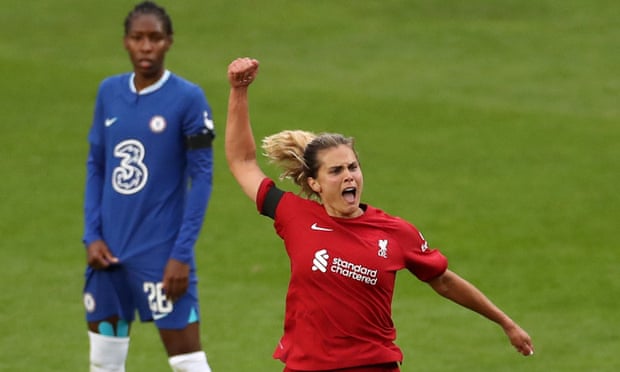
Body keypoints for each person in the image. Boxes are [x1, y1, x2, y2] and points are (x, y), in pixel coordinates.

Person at [224, 57, 534, 372]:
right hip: (307, 367)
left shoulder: (396, 233)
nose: (349, 176)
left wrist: (505, 323)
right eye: (336, 171)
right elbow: (242, 161)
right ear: (315, 183)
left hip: (372, 366)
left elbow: (443, 281)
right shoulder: (295, 215)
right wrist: (239, 90)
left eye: (353, 167)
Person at [82, 2, 215, 371]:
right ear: (126, 42)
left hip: (162, 258)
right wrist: (91, 236)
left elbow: (202, 178)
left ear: (168, 42)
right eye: (138, 38)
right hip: (107, 255)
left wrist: (181, 254)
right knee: (103, 365)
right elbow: (96, 165)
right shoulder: (109, 92)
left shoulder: (188, 99)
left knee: (188, 362)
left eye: (154, 38)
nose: (145, 47)